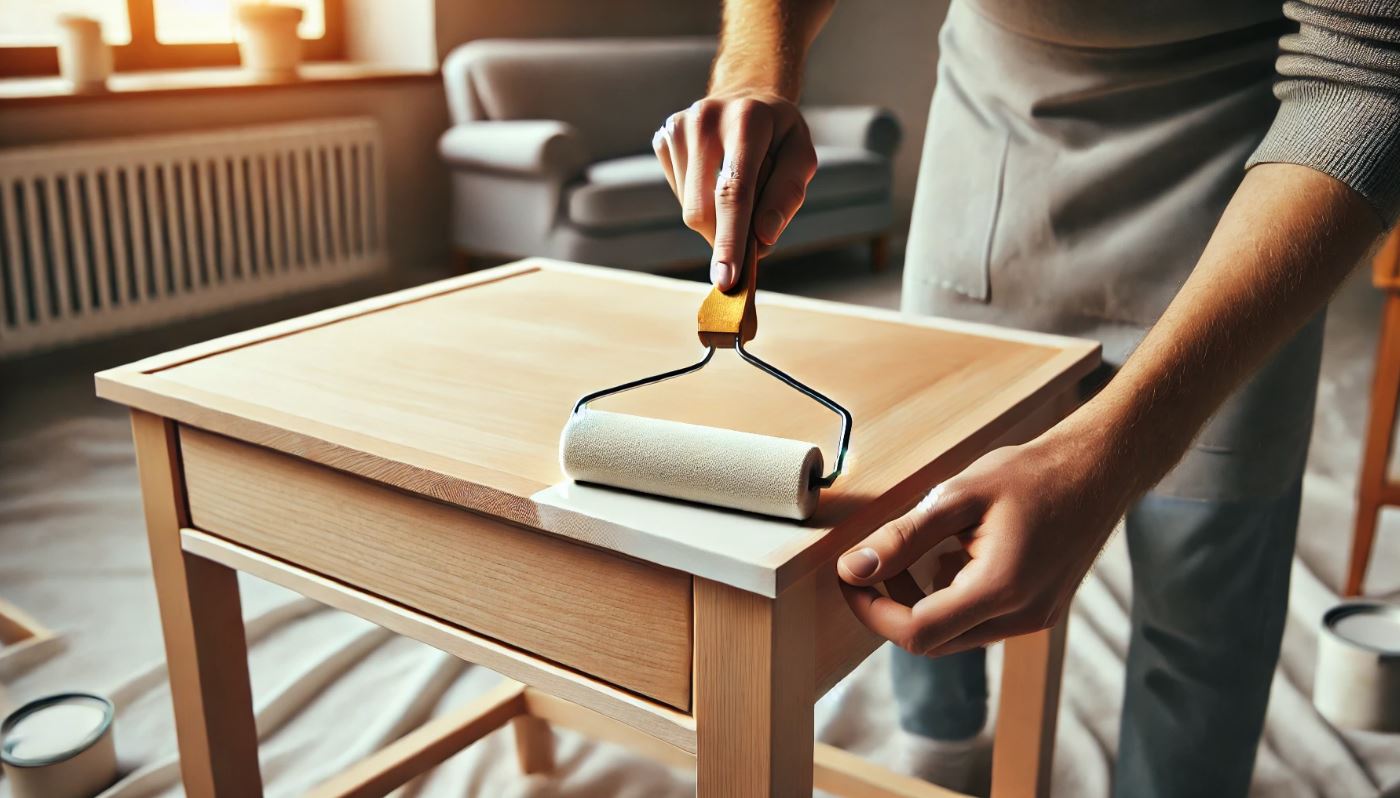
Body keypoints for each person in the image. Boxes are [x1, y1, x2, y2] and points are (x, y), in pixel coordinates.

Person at [652, 0, 1400, 795]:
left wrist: (1116, 450)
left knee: (1204, 594)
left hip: (1259, 191)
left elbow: (1370, 66)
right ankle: (940, 753)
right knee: (923, 519)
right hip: (997, 150)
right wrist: (753, 73)